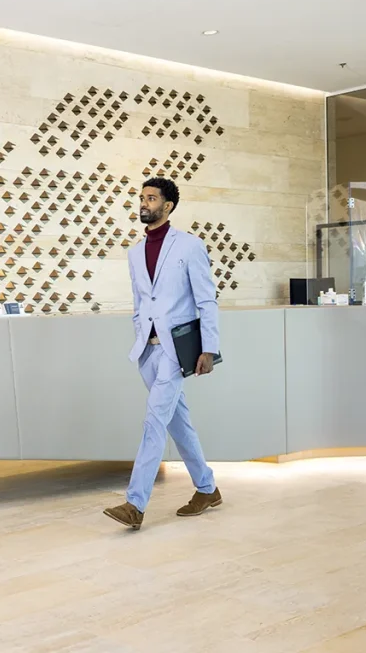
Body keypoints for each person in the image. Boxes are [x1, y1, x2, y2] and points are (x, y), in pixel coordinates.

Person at [103, 177, 222, 530]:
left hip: (176, 352)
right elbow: (140, 302)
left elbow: (206, 299)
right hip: (148, 352)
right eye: (142, 197)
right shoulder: (135, 252)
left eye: (151, 198)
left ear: (167, 206)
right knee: (178, 424)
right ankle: (207, 488)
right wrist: (141, 332)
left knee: (154, 421)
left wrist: (210, 348)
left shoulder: (189, 246)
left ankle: (135, 504)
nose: (143, 203)